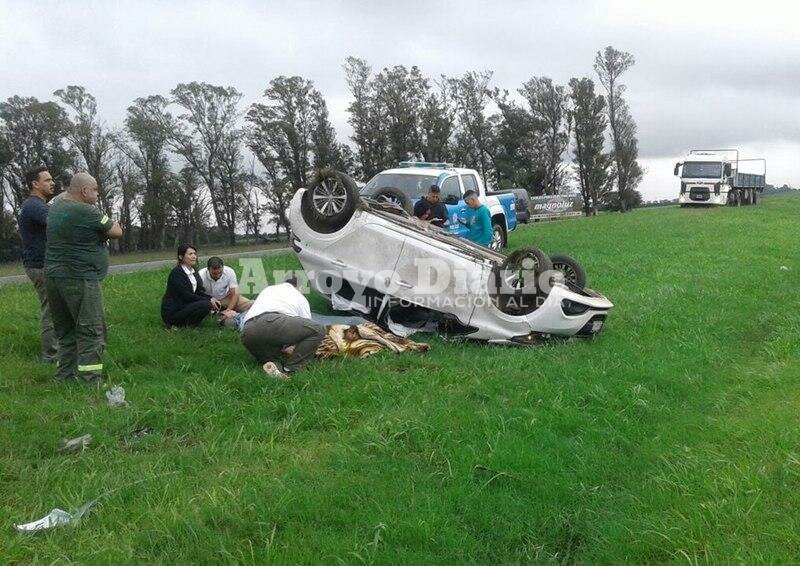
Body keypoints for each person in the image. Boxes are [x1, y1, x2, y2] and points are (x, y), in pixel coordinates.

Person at [45, 172, 123, 383]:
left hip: (53, 277)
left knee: (66, 330)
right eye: (95, 189)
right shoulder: (86, 211)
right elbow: (116, 231)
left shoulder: (56, 206)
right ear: (84, 191)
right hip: (80, 278)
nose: (97, 194)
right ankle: (90, 379)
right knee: (91, 329)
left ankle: (65, 376)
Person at [222, 279, 325, 380]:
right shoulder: (299, 296)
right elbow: (307, 328)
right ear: (300, 288)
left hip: (248, 331)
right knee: (318, 329)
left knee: (276, 359)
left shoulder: (268, 289)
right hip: (272, 321)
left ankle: (276, 370)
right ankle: (292, 369)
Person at [18, 166, 57, 363]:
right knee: (51, 310)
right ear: (35, 184)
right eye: (47, 180)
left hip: (43, 264)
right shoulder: (34, 206)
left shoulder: (38, 205)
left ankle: (58, 352)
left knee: (55, 308)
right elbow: (57, 222)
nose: (52, 183)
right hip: (41, 266)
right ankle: (50, 356)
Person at [160, 244, 222, 328]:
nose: (194, 256)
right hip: (174, 311)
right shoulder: (177, 273)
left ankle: (188, 325)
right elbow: (186, 295)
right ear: (181, 257)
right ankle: (176, 324)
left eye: (194, 254)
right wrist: (208, 300)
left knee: (212, 302)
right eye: (190, 254)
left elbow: (198, 292)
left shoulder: (194, 272)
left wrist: (211, 298)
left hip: (185, 306)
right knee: (206, 304)